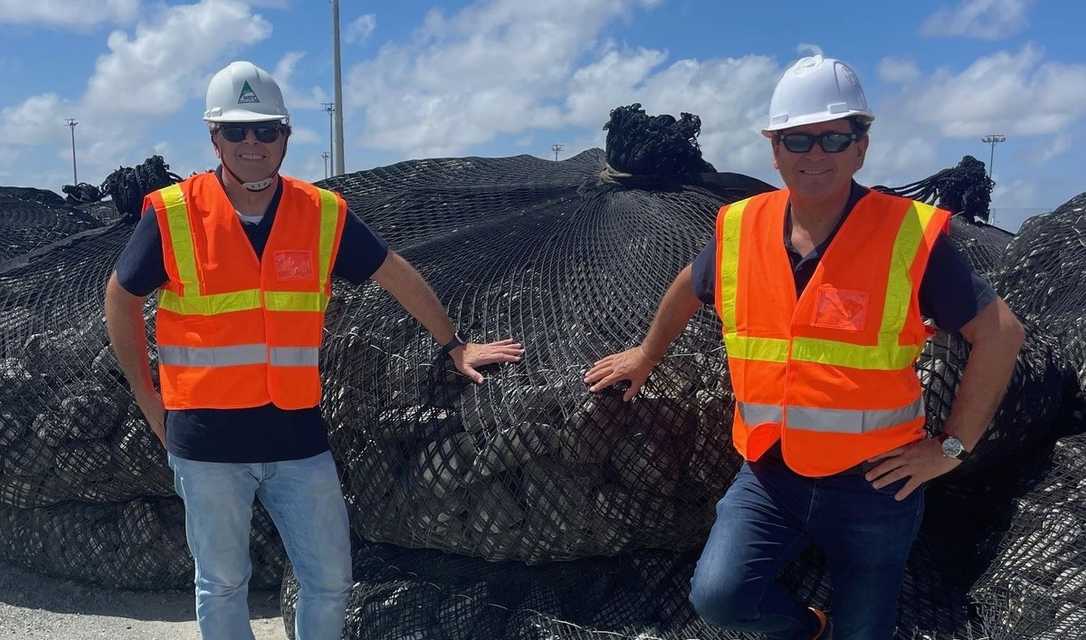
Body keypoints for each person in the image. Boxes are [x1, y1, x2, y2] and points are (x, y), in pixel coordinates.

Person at [584, 55, 1024, 640]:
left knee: (864, 632)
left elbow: (1000, 333)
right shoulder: (740, 226)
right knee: (720, 597)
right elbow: (690, 284)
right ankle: (807, 629)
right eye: (797, 139)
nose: (815, 154)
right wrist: (646, 354)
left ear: (860, 148)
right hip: (771, 473)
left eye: (834, 138)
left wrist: (950, 448)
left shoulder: (908, 235)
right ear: (775, 149)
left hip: (877, 483)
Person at [104, 60, 523, 640]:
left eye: (265, 129)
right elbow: (120, 296)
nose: (252, 143)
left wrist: (455, 344)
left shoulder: (321, 213)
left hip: (296, 436)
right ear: (214, 137)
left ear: (286, 135)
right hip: (206, 442)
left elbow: (394, 274)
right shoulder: (175, 214)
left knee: (329, 580)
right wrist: (149, 402)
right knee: (222, 584)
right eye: (236, 130)